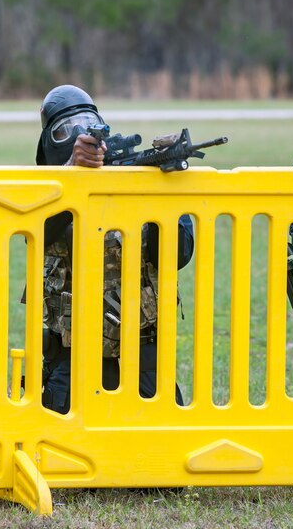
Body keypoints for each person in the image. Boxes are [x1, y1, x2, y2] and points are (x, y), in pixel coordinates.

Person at [35, 84, 195, 413]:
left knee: (165, 436)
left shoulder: (133, 176)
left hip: (143, 344)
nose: (78, 132)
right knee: (63, 438)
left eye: (86, 121)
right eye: (65, 128)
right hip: (73, 347)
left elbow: (178, 254)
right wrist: (72, 177)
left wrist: (157, 192)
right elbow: (34, 229)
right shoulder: (47, 188)